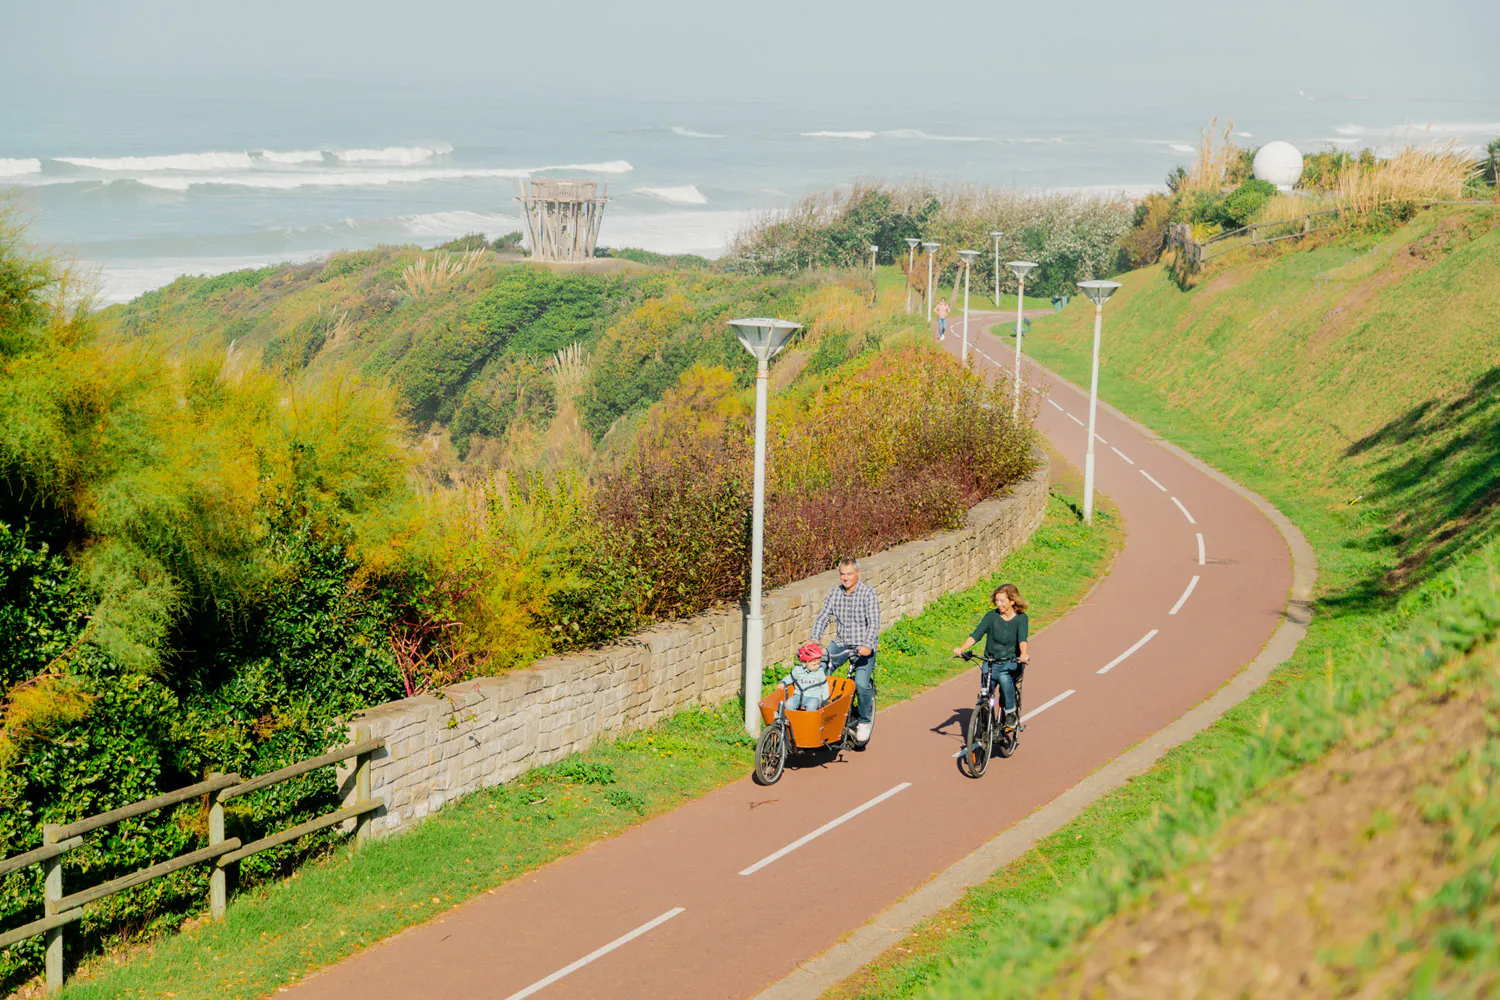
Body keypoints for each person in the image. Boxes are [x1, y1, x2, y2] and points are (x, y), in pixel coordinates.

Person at [807, 558, 880, 743]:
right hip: (841, 644)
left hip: (863, 647)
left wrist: (868, 645)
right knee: (819, 670)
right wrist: (814, 640)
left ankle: (864, 720)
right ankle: (818, 711)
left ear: (857, 573)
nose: (845, 578)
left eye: (849, 574)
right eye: (842, 574)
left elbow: (874, 623)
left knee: (861, 683)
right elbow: (823, 617)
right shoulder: (835, 594)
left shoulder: (867, 594)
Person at [952, 583, 1030, 729]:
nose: (998, 604)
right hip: (991, 661)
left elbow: (1022, 640)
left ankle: (1011, 714)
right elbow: (976, 635)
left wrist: (1023, 655)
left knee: (1004, 677)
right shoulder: (991, 617)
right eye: (996, 601)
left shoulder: (1021, 619)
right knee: (986, 693)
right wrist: (961, 648)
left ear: (1012, 601)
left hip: (1011, 662)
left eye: (1002, 601)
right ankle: (985, 719)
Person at [781, 642, 830, 711]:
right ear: (804, 663)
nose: (817, 666)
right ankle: (793, 720)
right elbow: (790, 677)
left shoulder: (819, 672)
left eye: (818, 663)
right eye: (814, 664)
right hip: (798, 696)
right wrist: (783, 682)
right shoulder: (798, 670)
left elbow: (825, 686)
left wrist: (825, 700)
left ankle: (809, 721)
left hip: (814, 697)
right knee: (789, 704)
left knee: (811, 706)